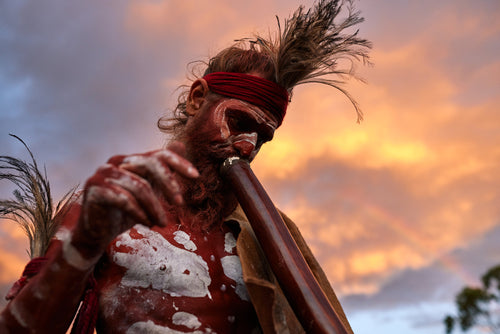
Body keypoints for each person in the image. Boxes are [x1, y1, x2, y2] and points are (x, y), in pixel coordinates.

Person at [0, 1, 371, 333]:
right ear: (197, 100)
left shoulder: (271, 237)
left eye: (263, 137)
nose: (248, 146)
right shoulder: (107, 209)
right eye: (239, 121)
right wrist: (81, 245)